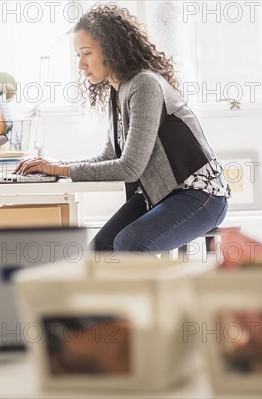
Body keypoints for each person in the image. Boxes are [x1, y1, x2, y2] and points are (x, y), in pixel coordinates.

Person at [15, 4, 230, 254]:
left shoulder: (144, 84)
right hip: (158, 194)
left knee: (131, 244)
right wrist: (58, 166)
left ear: (110, 49)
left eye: (87, 53)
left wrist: (61, 169)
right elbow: (110, 157)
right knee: (98, 253)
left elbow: (130, 167)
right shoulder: (118, 90)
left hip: (200, 196)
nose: (81, 65)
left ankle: (158, 294)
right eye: (78, 55)